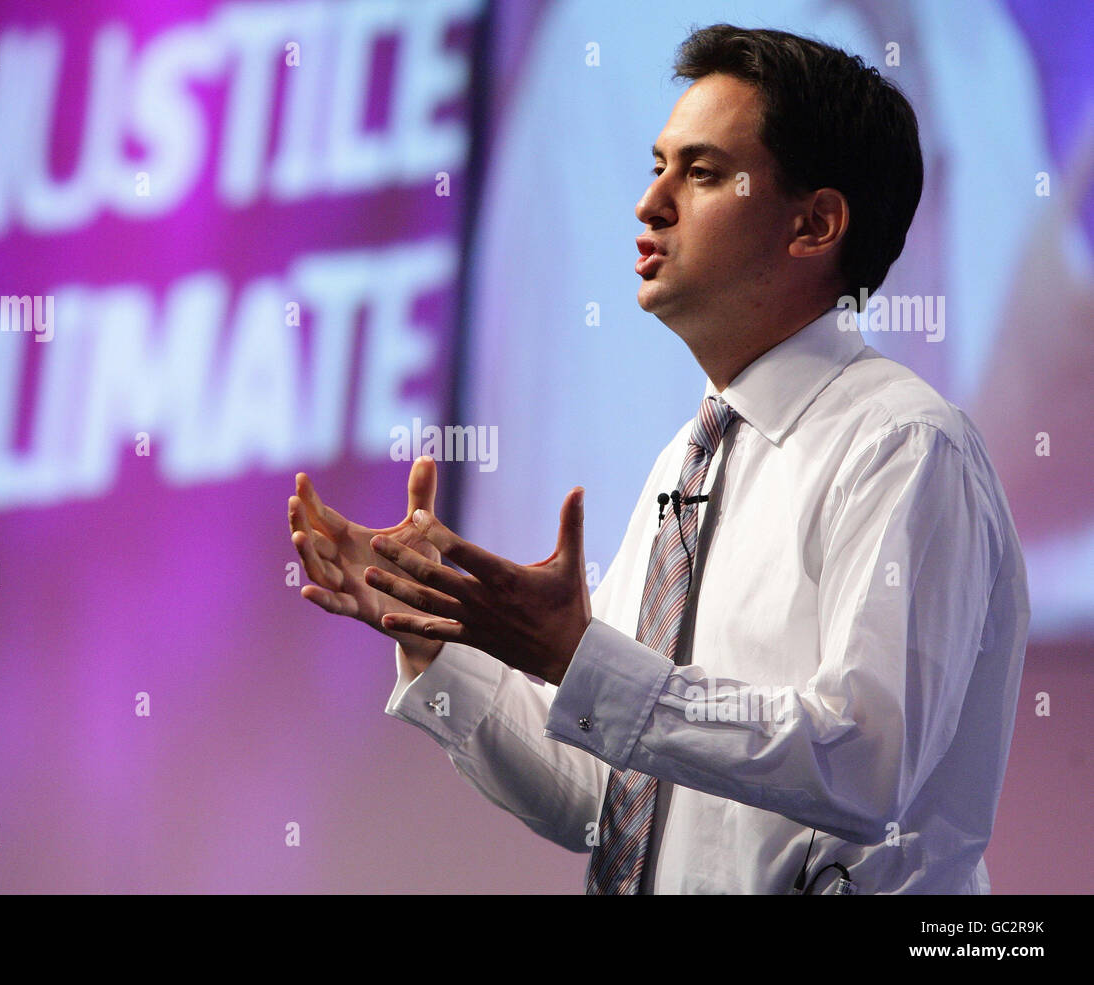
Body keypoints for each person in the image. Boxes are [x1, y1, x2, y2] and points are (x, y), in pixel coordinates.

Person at [287, 24, 1029, 893]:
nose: (651, 203)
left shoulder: (903, 445)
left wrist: (584, 661)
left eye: (703, 173)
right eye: (657, 166)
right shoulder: (687, 460)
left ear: (815, 223)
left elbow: (866, 764)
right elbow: (606, 795)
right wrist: (434, 641)